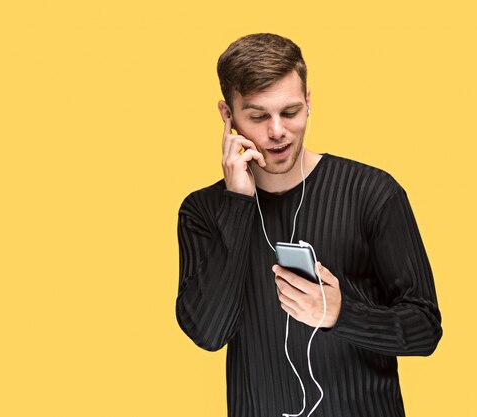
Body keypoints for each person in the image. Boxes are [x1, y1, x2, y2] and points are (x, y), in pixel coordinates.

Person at [175, 33, 442, 417]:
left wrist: (341, 314)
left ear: (309, 102)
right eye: (258, 116)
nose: (278, 131)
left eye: (291, 112)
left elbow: (425, 328)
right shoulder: (202, 211)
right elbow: (207, 333)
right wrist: (237, 203)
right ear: (227, 115)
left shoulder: (372, 192)